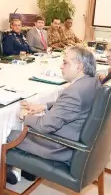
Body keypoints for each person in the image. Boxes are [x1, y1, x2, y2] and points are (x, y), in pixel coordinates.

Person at [7, 46, 100, 183]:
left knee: (11, 134)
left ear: (79, 66)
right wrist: (43, 106)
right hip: (75, 137)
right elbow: (72, 105)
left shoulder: (74, 92)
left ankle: (9, 174)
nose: (61, 67)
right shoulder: (92, 81)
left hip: (61, 147)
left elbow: (45, 126)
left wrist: (25, 116)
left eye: (65, 63)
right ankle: (28, 171)